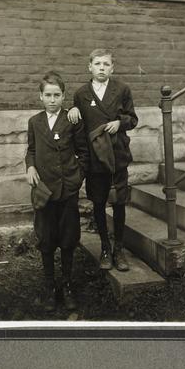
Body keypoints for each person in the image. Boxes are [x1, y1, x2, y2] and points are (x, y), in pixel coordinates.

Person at [68, 49, 138, 271]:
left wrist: (120, 123)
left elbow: (132, 119)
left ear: (112, 68)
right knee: (98, 202)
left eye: (106, 64)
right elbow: (79, 125)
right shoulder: (81, 94)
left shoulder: (122, 90)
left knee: (118, 202)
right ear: (89, 67)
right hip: (95, 158)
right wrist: (72, 110)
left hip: (117, 156)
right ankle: (105, 247)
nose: (101, 67)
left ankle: (119, 249)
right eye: (97, 63)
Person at [25, 71, 89, 312]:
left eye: (57, 95)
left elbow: (84, 153)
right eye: (48, 95)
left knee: (68, 239)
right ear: (40, 97)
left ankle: (68, 285)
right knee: (46, 239)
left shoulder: (71, 120)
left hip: (67, 190)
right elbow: (31, 149)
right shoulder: (34, 122)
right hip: (44, 191)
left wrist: (76, 178)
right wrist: (30, 165)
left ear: (64, 96)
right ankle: (50, 286)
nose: (52, 99)